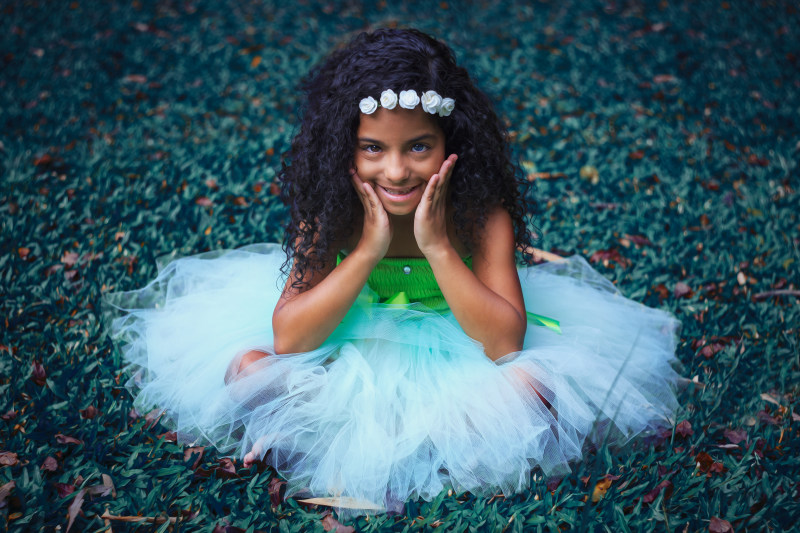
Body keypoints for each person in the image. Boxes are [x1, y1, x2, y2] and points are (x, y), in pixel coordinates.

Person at [107, 28, 681, 518]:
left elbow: (506, 345)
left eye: (419, 147)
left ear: (451, 144)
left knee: (531, 387)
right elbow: (290, 338)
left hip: (460, 360)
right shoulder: (331, 213)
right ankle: (382, 444)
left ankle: (429, 447)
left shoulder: (481, 217)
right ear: (346, 150)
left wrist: (437, 248)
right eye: (373, 149)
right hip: (343, 354)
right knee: (250, 368)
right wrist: (366, 251)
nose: (398, 170)